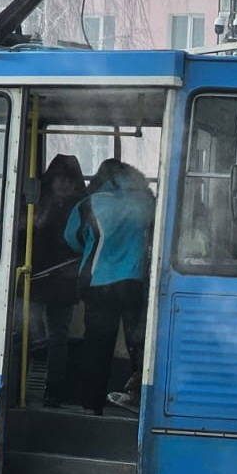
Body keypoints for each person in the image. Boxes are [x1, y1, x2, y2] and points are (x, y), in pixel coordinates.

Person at [65, 159, 155, 416]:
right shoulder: (146, 202)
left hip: (98, 282)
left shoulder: (89, 203)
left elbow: (72, 237)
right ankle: (138, 399)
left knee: (97, 345)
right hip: (134, 281)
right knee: (137, 343)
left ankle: (92, 404)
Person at [31, 154, 86, 408]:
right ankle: (28, 383)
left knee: (57, 336)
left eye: (70, 180)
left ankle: (54, 389)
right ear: (51, 180)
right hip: (33, 275)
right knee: (28, 331)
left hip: (62, 279)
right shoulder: (38, 203)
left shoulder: (80, 207)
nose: (64, 185)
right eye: (59, 179)